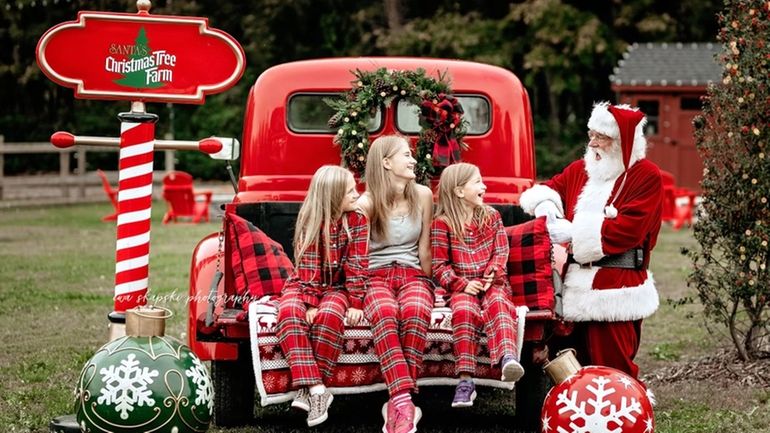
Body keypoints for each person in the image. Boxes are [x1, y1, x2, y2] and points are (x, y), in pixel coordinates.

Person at [519, 102, 663, 379]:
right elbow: (549, 189)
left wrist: (573, 232)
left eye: (602, 137)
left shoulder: (646, 176)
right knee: (568, 361)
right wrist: (546, 206)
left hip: (615, 285)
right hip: (575, 281)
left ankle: (622, 414)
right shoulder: (581, 169)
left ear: (623, 142)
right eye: (591, 135)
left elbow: (628, 230)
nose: (593, 143)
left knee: (613, 364)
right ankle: (575, 415)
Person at [276, 165, 368, 427]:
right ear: (332, 195)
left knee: (329, 316)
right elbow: (308, 265)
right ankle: (318, 389)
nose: (356, 193)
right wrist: (308, 302)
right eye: (349, 190)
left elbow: (357, 265)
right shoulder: (311, 219)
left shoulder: (358, 219)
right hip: (304, 284)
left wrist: (357, 301)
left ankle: (306, 389)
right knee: (288, 313)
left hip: (338, 287)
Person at [430, 163, 525, 408]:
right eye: (477, 182)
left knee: (499, 304)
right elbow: (440, 265)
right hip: (462, 288)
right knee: (463, 312)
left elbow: (501, 251)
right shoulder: (442, 224)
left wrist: (492, 273)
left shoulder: (492, 216)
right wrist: (461, 284)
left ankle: (507, 359)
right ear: (459, 191)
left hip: (492, 283)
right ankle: (465, 380)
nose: (484, 186)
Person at [356, 135, 434, 433]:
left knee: (415, 311)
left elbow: (424, 248)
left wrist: (432, 288)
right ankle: (403, 401)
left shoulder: (424, 195)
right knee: (385, 313)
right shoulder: (366, 203)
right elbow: (359, 256)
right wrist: (356, 294)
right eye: (406, 154)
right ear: (386, 162)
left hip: (413, 273)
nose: (413, 159)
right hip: (376, 275)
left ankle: (398, 403)